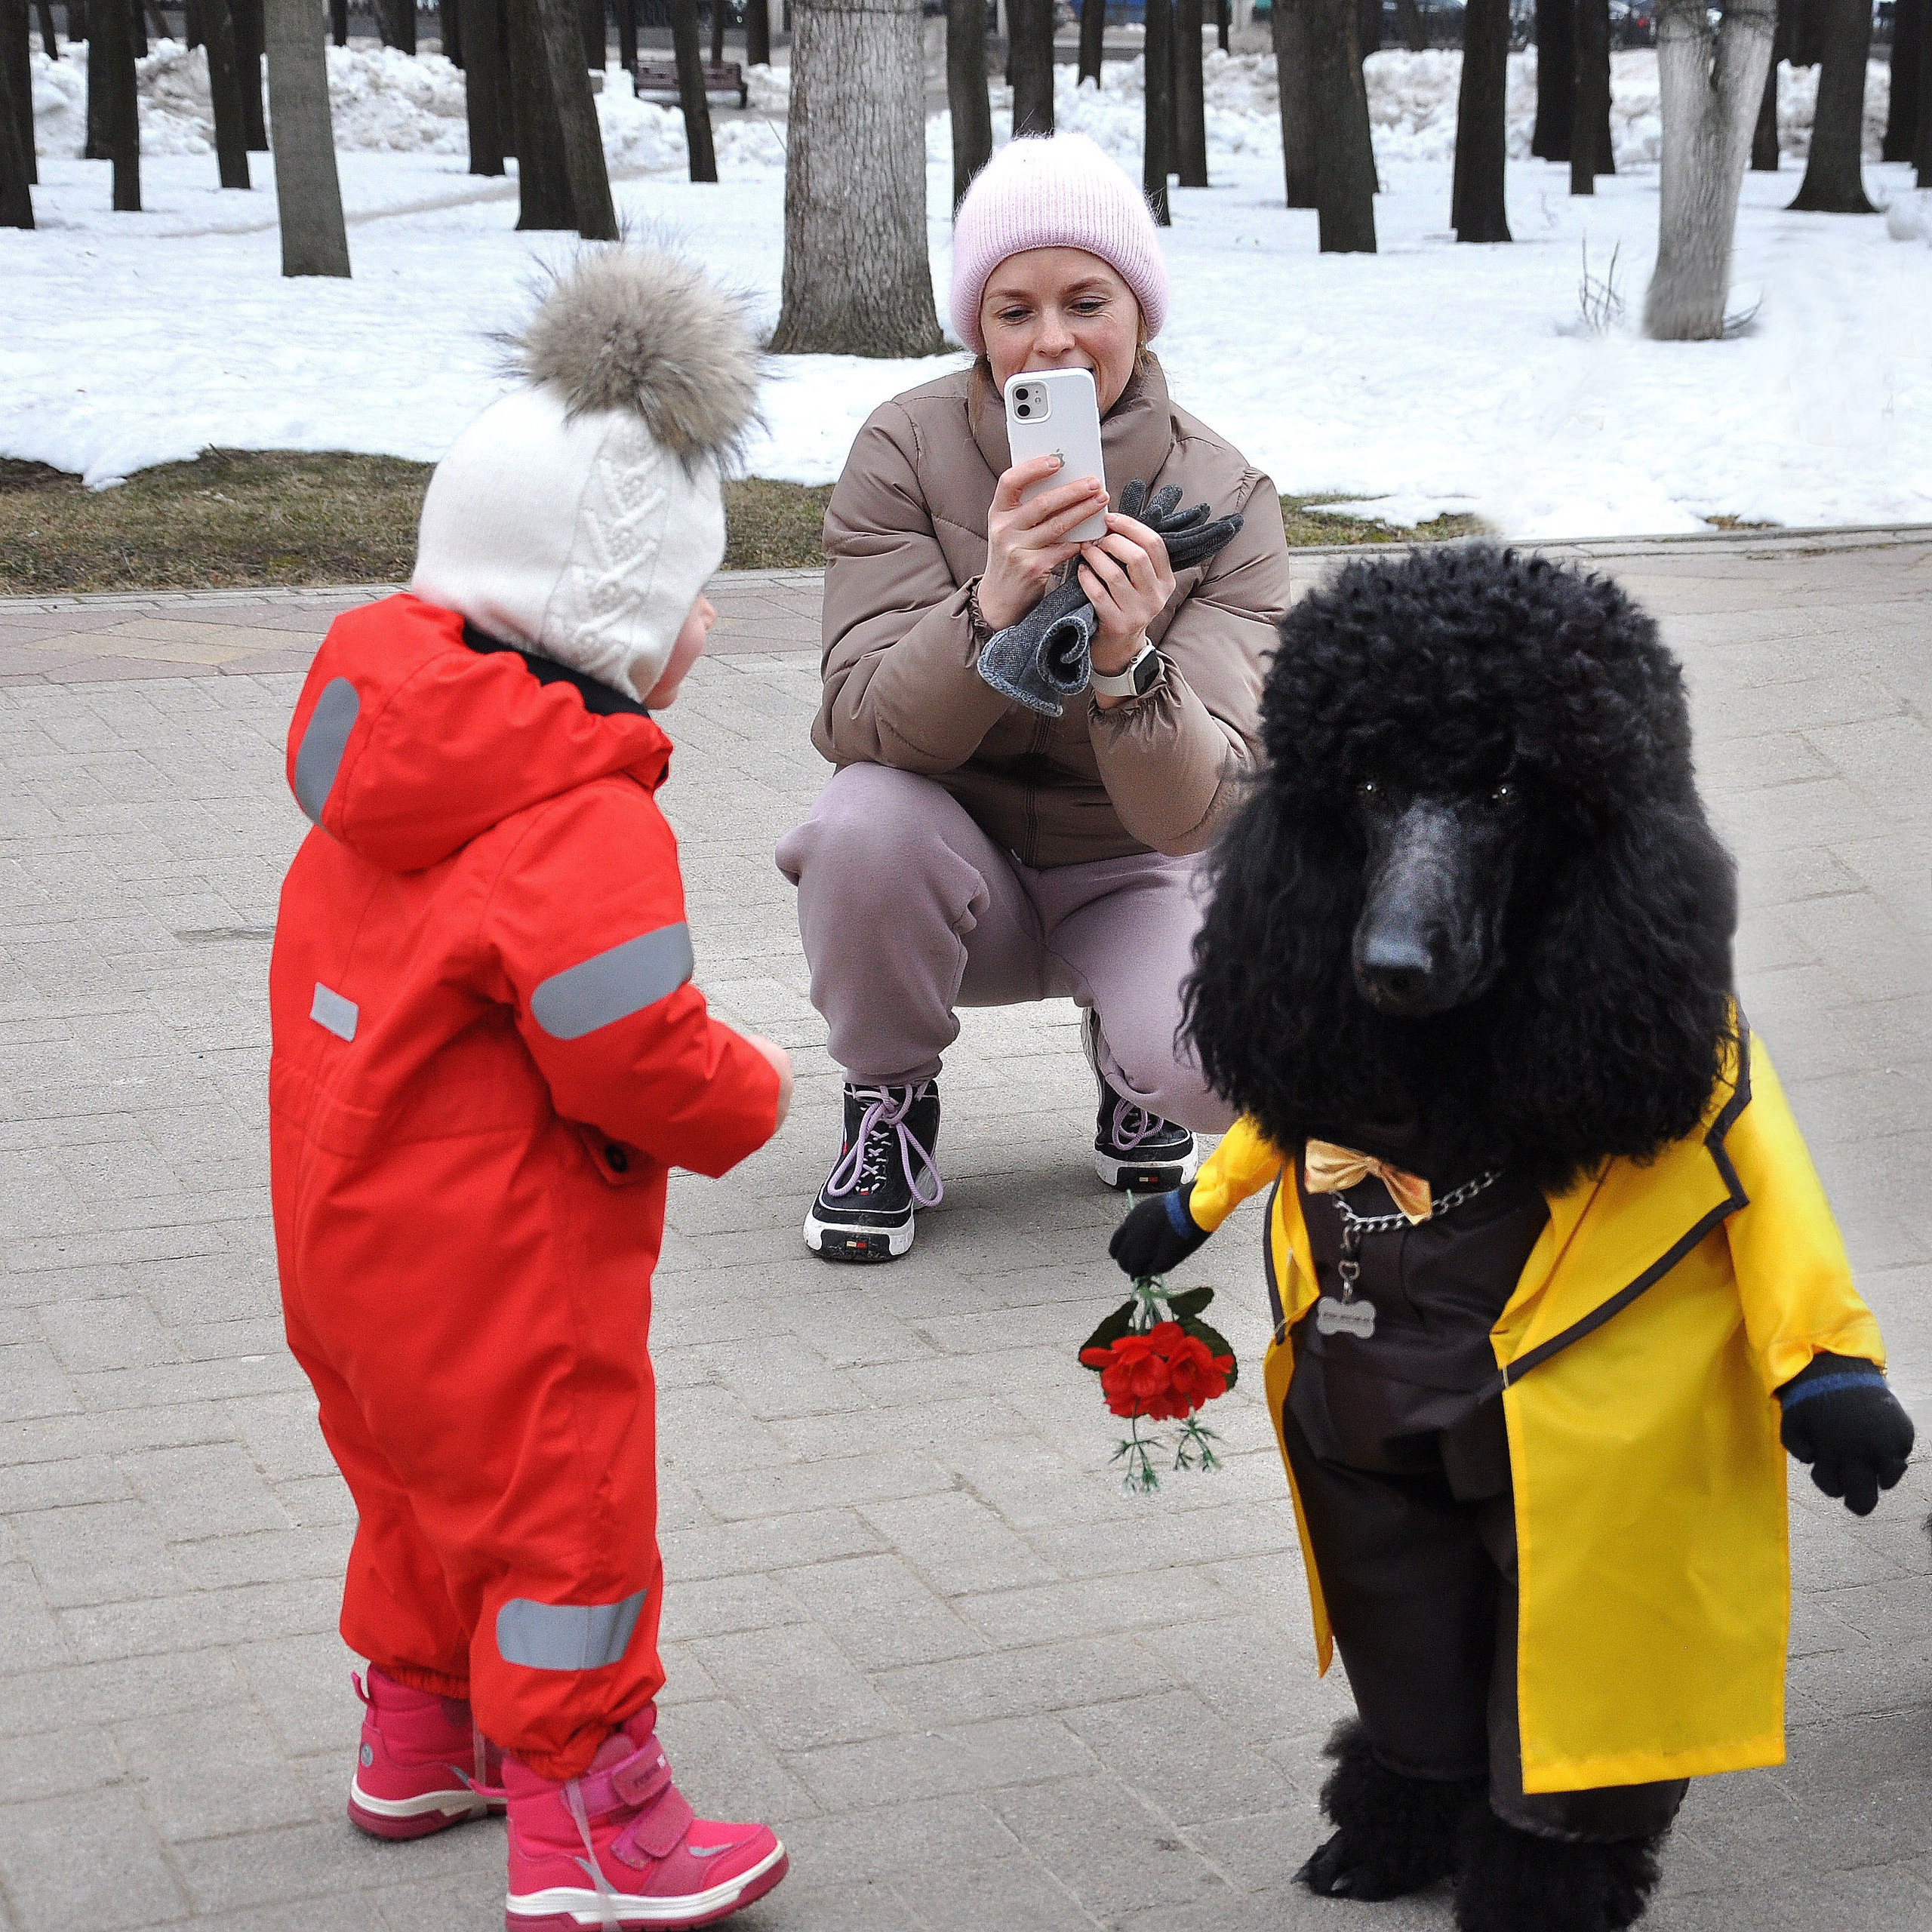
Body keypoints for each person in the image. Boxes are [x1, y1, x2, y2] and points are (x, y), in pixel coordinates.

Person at [269, 251, 793, 1932]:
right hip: (510, 1259)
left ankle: (419, 1727)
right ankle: (598, 1817)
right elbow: (628, 1047)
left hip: (349, 1242)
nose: (703, 627)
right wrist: (748, 1097)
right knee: (560, 1516)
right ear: (619, 617)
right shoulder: (577, 809)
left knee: (415, 1484)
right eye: (690, 601)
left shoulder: (378, 756)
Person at [778, 132, 1296, 1263]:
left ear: (1143, 314)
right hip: (949, 861)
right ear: (976, 325)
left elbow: (1204, 810)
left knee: (1222, 1064)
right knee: (857, 820)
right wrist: (991, 604)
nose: (1050, 340)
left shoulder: (1229, 498)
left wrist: (1127, 665)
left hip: (1133, 862)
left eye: (1085, 301)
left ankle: (1136, 1067)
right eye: (1013, 310)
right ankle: (890, 1104)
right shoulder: (905, 451)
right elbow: (858, 717)